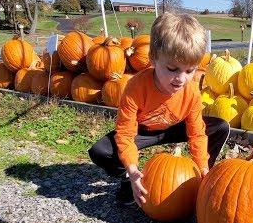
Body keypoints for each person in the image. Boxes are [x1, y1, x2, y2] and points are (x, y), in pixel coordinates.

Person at [88, 12, 229, 206]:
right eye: (172, 69)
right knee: (100, 151)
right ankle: (130, 180)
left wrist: (202, 165)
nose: (181, 78)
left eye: (190, 70)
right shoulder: (135, 88)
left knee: (220, 127)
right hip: (142, 130)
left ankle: (202, 177)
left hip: (175, 128)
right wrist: (132, 168)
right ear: (153, 59)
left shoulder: (192, 92)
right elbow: (125, 135)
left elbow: (196, 134)